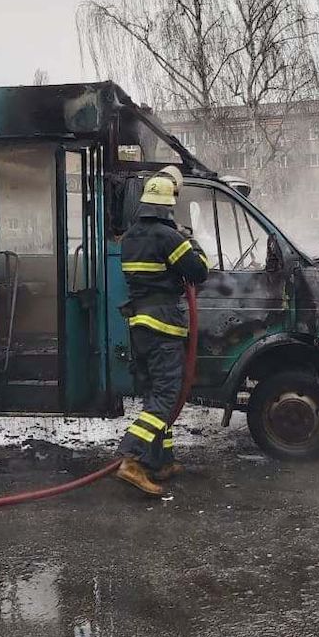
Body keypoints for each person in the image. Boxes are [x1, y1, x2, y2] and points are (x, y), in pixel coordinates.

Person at [115, 171, 209, 496]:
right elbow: (200, 272)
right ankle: (133, 460)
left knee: (156, 394)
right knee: (168, 396)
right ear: (169, 205)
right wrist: (192, 242)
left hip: (140, 325)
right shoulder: (170, 238)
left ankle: (161, 460)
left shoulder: (130, 238)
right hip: (164, 326)